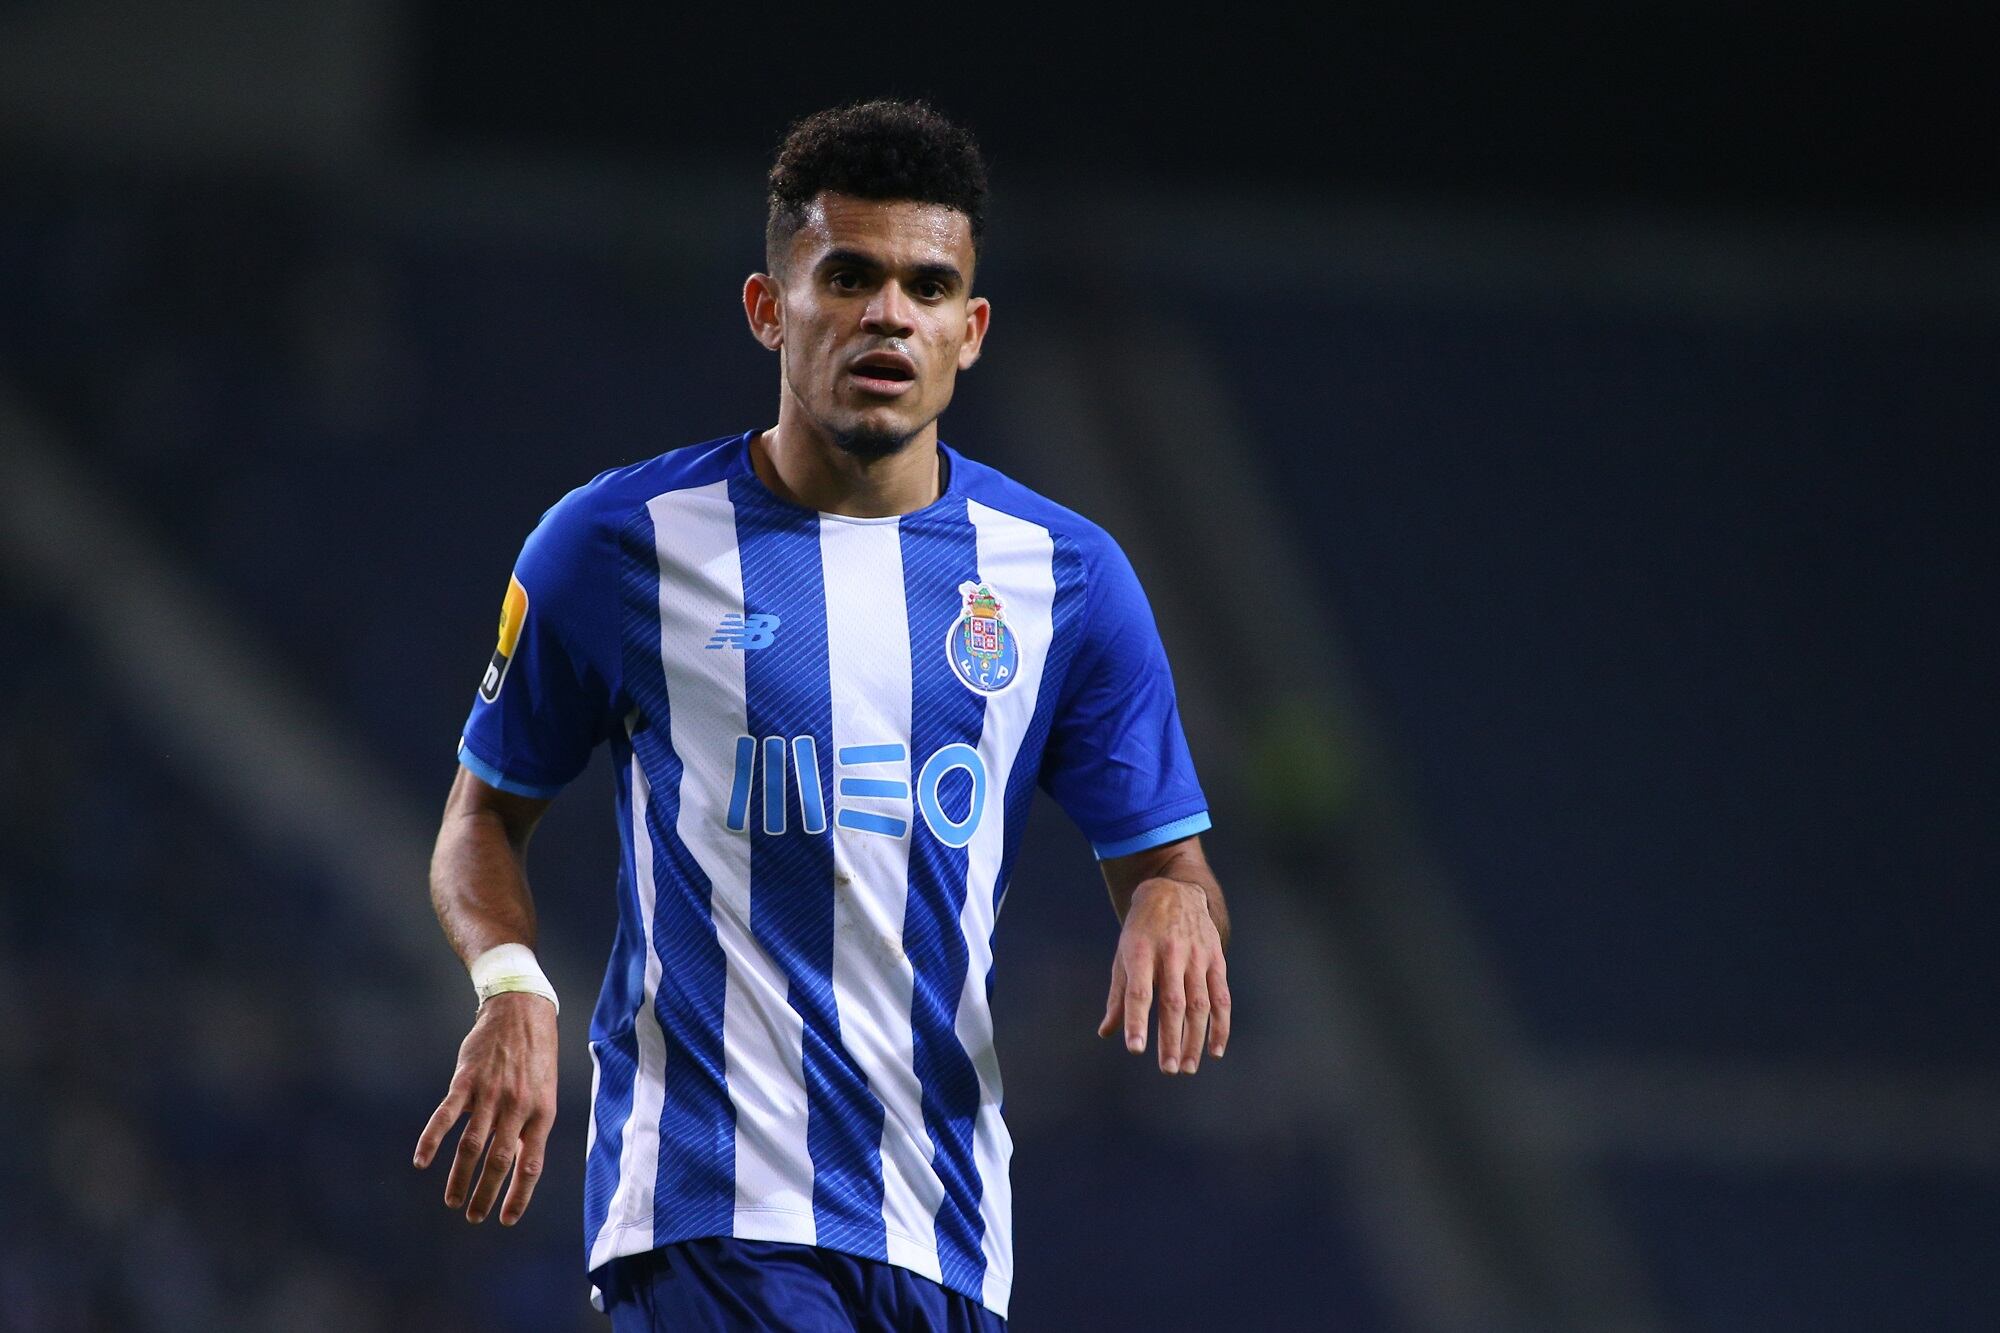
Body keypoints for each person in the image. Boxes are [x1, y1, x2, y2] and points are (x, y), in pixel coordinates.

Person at [411, 98, 1232, 1331]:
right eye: (846, 276)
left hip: (944, 1233)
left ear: (970, 330)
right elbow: (481, 817)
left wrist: (1174, 894)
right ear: (767, 308)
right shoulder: (615, 546)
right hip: (711, 1211)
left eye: (925, 284)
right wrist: (512, 983)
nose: (886, 312)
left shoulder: (1063, 578)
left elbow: (1169, 860)